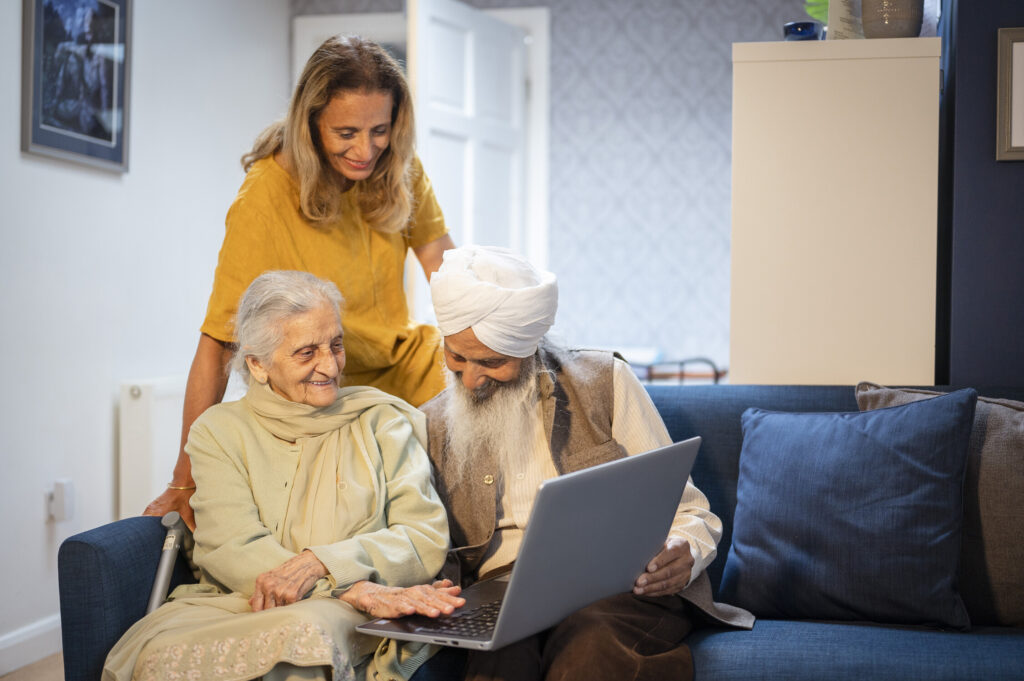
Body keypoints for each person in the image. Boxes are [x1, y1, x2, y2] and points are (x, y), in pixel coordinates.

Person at [145, 35, 455, 529]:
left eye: (380, 129)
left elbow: (442, 262)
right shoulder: (265, 196)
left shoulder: (397, 165)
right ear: (310, 124)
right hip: (324, 382)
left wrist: (478, 344)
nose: (366, 149)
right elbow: (219, 342)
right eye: (346, 132)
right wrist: (184, 479)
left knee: (526, 383)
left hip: (399, 361)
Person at [105, 271, 464, 681]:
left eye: (336, 344)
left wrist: (321, 564)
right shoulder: (217, 432)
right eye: (307, 352)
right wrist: (350, 586)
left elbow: (424, 537)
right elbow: (232, 545)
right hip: (247, 602)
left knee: (310, 631)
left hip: (354, 612)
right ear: (258, 365)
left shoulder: (381, 421)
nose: (329, 366)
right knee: (161, 655)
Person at [419, 246, 754, 681]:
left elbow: (690, 512)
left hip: (617, 586)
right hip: (502, 595)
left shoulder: (604, 381)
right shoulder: (431, 423)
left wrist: (685, 551)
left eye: (491, 361)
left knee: (590, 645)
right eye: (456, 357)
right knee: (499, 657)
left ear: (528, 346)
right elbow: (423, 540)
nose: (470, 379)